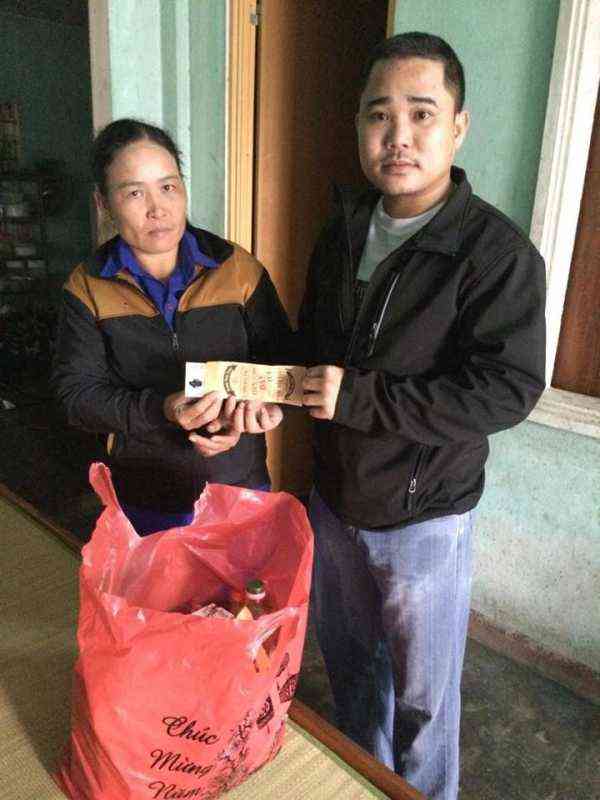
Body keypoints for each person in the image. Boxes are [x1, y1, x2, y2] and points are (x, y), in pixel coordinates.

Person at [299, 33, 546, 800]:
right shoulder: (343, 228)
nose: (398, 135)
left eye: (421, 113)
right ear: (359, 126)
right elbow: (312, 347)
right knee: (352, 675)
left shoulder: (495, 255)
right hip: (333, 504)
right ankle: (365, 783)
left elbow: (506, 389)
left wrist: (358, 399)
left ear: (459, 127)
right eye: (379, 114)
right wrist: (265, 392)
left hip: (424, 519)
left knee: (424, 703)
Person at [52, 118, 289, 535]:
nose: (157, 208)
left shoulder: (237, 269)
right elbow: (77, 396)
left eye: (168, 186)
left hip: (237, 483)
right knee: (158, 580)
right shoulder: (87, 287)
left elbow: (283, 359)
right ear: (103, 203)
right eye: (134, 193)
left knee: (244, 579)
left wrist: (250, 412)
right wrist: (161, 409)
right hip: (146, 492)